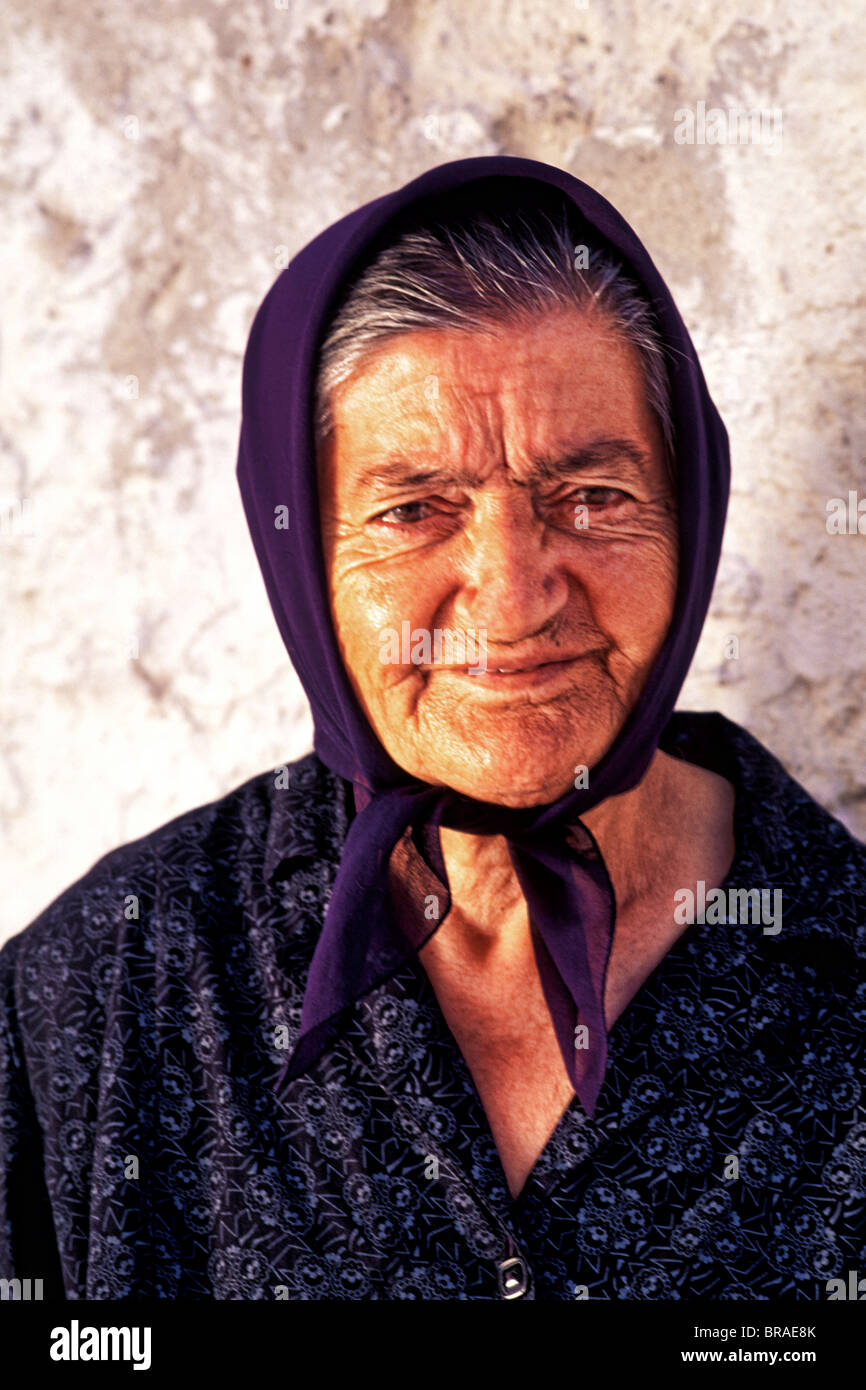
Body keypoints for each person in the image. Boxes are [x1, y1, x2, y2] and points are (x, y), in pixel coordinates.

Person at [1, 157, 863, 1302]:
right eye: (414, 510)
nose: (512, 595)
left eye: (591, 498)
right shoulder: (103, 993)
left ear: (688, 513)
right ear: (302, 556)